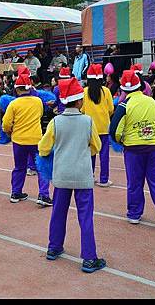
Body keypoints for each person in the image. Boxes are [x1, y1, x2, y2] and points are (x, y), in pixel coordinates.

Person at [38, 77, 106, 273]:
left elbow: (43, 148)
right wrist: (83, 152)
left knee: (58, 212)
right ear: (78, 101)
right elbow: (97, 146)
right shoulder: (87, 121)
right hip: (83, 175)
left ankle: (54, 247)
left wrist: (57, 153)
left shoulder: (55, 122)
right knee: (85, 216)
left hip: (61, 175)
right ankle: (89, 258)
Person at [109, 70, 155, 230]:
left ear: (123, 89)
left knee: (134, 183)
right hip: (154, 146)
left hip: (133, 149)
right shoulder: (151, 101)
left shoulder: (124, 105)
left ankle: (134, 214)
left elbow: (114, 131)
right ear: (140, 85)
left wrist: (123, 141)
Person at [3, 73, 52, 206]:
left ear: (17, 89)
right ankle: (43, 195)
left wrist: (9, 132)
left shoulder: (13, 104)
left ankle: (16, 192)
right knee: (41, 167)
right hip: (36, 139)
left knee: (19, 167)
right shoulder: (38, 102)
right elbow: (41, 114)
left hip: (18, 140)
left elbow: (6, 123)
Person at [81, 64, 114, 187]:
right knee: (104, 154)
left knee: (90, 153)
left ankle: (90, 176)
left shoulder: (84, 92)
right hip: (104, 127)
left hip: (89, 127)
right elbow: (111, 109)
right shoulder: (106, 91)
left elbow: (82, 109)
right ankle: (104, 179)